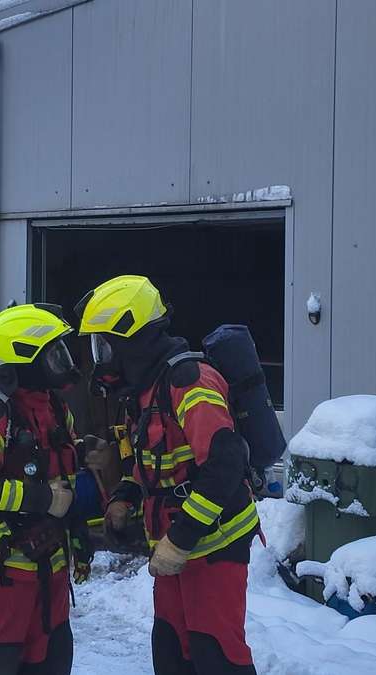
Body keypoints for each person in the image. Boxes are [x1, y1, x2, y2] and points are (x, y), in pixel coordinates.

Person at [75, 275, 260, 675]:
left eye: (104, 345)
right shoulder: (146, 391)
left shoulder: (189, 381)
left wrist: (180, 540)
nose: (101, 357)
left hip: (213, 545)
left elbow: (224, 464)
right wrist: (125, 496)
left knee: (216, 656)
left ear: (132, 340)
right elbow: (155, 466)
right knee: (172, 652)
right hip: (176, 550)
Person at [0, 303, 94, 675]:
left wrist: (79, 535)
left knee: (54, 657)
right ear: (24, 359)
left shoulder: (56, 409)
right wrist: (43, 500)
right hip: (8, 573)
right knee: (4, 661)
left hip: (53, 570)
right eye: (53, 354)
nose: (63, 361)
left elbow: (67, 476)